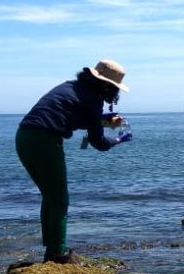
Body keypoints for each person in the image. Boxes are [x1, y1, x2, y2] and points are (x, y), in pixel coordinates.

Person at [16, 59, 134, 263]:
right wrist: (119, 139)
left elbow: (75, 116)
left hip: (24, 136)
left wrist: (105, 120)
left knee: (50, 197)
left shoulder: (71, 87)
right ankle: (59, 254)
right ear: (106, 85)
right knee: (60, 200)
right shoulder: (93, 100)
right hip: (45, 141)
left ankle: (51, 249)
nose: (115, 92)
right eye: (115, 88)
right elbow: (99, 143)